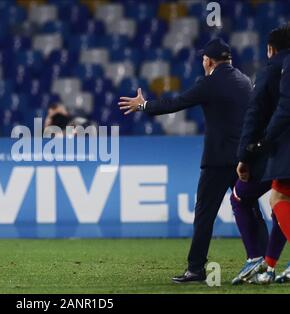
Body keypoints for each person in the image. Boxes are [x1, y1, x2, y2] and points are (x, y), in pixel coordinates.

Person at [118, 38, 253, 283]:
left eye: (204, 58)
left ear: (209, 61)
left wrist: (143, 105)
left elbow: (175, 104)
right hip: (243, 159)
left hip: (217, 162)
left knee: (204, 215)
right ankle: (261, 262)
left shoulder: (209, 83)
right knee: (249, 210)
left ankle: (196, 269)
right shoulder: (245, 81)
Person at [231, 25, 290, 285]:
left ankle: (257, 259)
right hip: (279, 149)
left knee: (242, 196)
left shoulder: (271, 71)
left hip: (277, 150)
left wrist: (246, 153)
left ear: (270, 49)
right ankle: (269, 265)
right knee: (281, 198)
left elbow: (255, 114)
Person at [244, 52, 290, 284]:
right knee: (279, 202)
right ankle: (270, 267)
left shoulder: (281, 65)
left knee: (278, 198)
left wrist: (265, 139)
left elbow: (285, 106)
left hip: (283, 144)